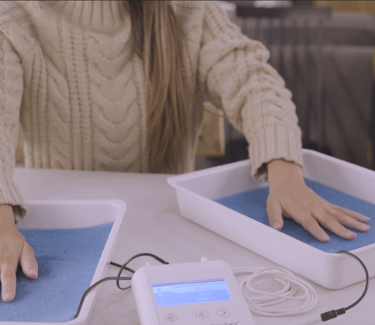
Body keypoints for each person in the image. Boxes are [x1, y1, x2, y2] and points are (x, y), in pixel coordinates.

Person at [0, 1, 370, 303]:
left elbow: (255, 82)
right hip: (62, 233)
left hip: (172, 238)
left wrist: (285, 170)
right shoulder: (15, 13)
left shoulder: (188, 9)